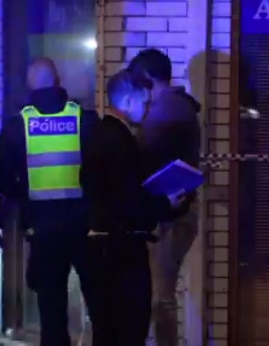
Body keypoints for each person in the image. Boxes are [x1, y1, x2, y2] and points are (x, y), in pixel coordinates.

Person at [0, 57, 99, 346]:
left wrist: (23, 192)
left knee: (51, 313)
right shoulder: (84, 120)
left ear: (30, 86)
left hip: (43, 231)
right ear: (58, 81)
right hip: (86, 230)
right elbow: (103, 170)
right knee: (101, 308)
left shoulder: (17, 126)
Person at [80, 69, 186, 346]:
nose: (148, 109)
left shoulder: (99, 134)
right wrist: (164, 202)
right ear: (128, 101)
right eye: (145, 103)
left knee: (106, 330)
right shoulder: (120, 141)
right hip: (121, 251)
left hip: (102, 248)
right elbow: (127, 200)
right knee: (128, 329)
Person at [128, 48, 201, 346]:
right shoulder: (178, 105)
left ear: (146, 77)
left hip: (170, 218)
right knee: (161, 293)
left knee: (161, 295)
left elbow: (140, 151)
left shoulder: (167, 109)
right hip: (172, 214)